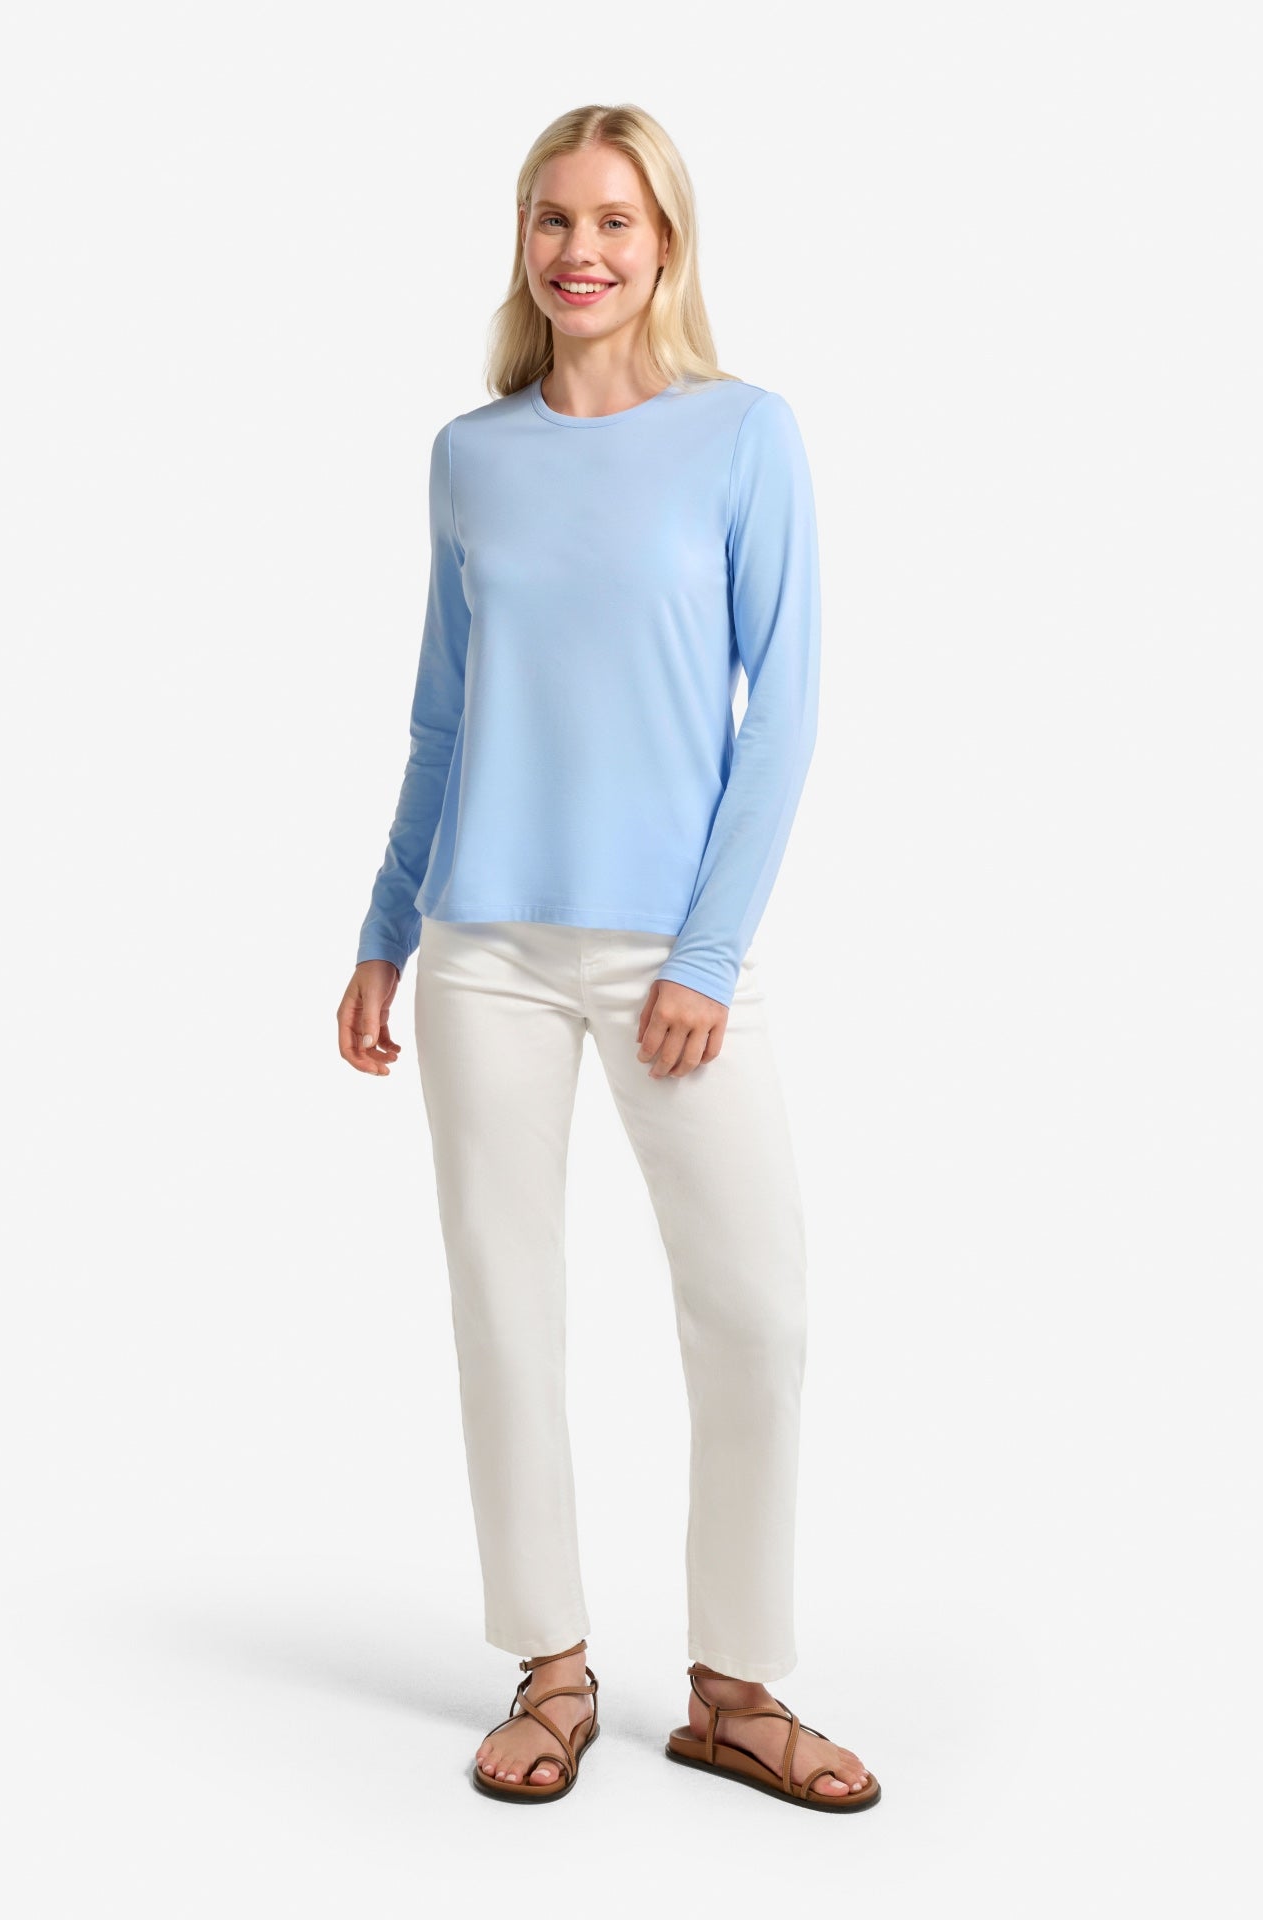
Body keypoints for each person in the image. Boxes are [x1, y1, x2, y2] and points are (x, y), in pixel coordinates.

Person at [336, 103, 879, 1813]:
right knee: (504, 1308)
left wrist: (707, 955)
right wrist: (382, 930)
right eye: (553, 218)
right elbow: (442, 717)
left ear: (666, 244)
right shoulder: (470, 454)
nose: (581, 250)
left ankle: (734, 1687)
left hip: (671, 956)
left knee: (756, 1314)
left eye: (615, 221)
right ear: (523, 240)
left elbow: (781, 713)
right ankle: (550, 1665)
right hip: (482, 948)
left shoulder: (742, 435)